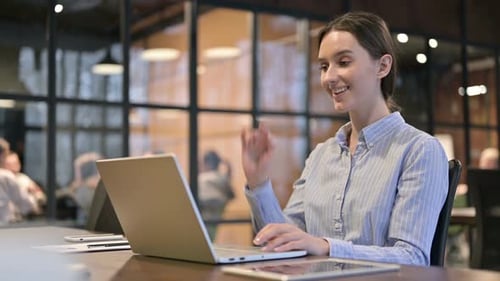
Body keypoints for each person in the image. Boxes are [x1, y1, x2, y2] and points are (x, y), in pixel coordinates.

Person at [240, 11, 448, 266]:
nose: (328, 77)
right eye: (324, 66)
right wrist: (258, 182)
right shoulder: (321, 155)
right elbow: (285, 239)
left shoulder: (420, 150)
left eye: (344, 62)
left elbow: (412, 258)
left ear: (383, 66)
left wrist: (326, 247)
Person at [0, 138, 40, 224]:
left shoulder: (23, 178)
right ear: (2, 155)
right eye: (6, 155)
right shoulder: (5, 176)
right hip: (5, 223)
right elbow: (25, 203)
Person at [198, 150, 235, 240]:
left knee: (205, 234)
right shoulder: (221, 177)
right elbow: (231, 194)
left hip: (204, 209)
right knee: (211, 233)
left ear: (206, 164)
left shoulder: (201, 178)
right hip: (216, 210)